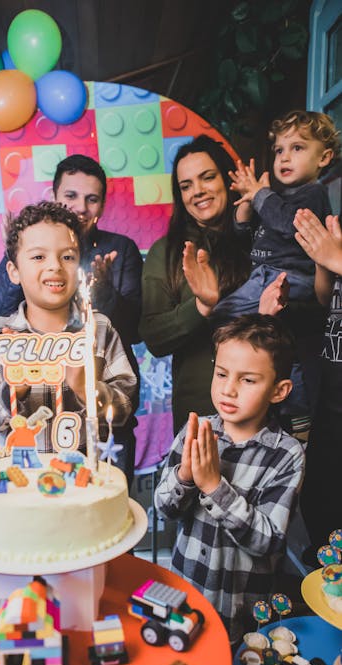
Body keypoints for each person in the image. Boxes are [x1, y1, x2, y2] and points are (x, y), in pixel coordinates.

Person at [0, 154, 143, 488]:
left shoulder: (102, 318)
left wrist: (87, 388)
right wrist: (15, 386)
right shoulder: (0, 331)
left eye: (67, 258)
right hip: (27, 467)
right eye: (38, 257)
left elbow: (127, 380)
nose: (54, 266)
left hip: (93, 462)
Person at [154, 315, 305, 644]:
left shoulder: (286, 455)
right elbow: (164, 508)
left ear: (279, 390)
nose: (228, 388)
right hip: (185, 599)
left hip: (242, 615)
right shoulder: (195, 433)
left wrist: (213, 486)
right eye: (221, 373)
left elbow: (268, 541)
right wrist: (185, 476)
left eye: (248, 380)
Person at [183, 112, 339, 416]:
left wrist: (259, 194)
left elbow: (287, 224)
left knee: (226, 318)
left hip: (290, 277)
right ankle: (285, 399)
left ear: (324, 157)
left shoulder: (314, 193)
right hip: (263, 275)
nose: (284, 157)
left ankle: (295, 406)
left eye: (297, 148)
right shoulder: (280, 196)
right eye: (280, 150)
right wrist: (244, 215)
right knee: (264, 337)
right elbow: (254, 238)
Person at [139, 135, 251, 432]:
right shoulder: (167, 252)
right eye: (186, 186)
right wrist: (201, 307)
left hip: (267, 410)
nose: (197, 191)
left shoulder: (259, 237)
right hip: (200, 415)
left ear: (227, 178)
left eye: (207, 177)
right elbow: (154, 337)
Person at [292, 208, 342, 565]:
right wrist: (325, 265)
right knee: (320, 492)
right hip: (332, 380)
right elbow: (328, 299)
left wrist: (337, 260)